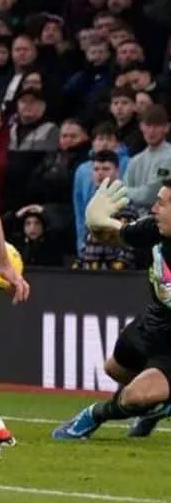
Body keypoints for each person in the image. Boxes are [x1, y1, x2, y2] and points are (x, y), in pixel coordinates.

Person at [53, 178, 171, 440]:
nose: (153, 209)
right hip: (150, 326)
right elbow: (108, 235)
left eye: (161, 204)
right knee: (114, 370)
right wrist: (96, 220)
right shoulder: (154, 229)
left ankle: (94, 415)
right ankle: (157, 408)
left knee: (138, 396)